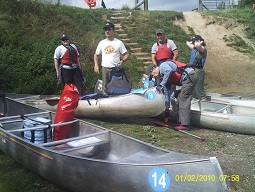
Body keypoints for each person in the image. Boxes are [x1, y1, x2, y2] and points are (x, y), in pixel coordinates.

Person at [149, 60, 198, 130]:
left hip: (190, 76)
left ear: (154, 68)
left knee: (183, 98)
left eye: (152, 75)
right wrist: (167, 109)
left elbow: (169, 71)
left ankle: (185, 125)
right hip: (187, 78)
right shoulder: (164, 77)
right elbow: (167, 93)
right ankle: (181, 122)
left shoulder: (162, 66)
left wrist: (161, 85)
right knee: (179, 98)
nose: (153, 77)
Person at [94, 22, 130, 94]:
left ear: (113, 31)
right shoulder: (102, 43)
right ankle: (106, 99)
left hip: (115, 69)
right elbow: (96, 55)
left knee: (115, 86)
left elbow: (127, 54)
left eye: (109, 29)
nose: (107, 31)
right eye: (106, 30)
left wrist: (122, 61)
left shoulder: (118, 43)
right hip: (105, 68)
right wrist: (96, 65)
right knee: (105, 87)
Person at [186, 35, 207, 99]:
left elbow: (198, 46)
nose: (193, 43)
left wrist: (200, 42)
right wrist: (193, 42)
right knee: (192, 89)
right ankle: (194, 100)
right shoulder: (195, 48)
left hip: (198, 71)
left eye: (195, 41)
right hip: (192, 70)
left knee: (199, 90)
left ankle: (203, 101)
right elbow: (187, 43)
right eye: (193, 42)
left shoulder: (203, 49)